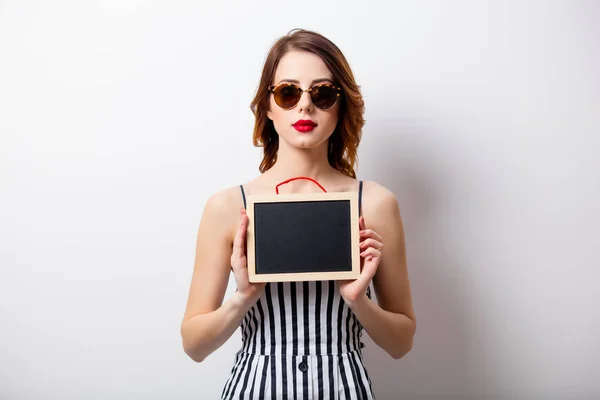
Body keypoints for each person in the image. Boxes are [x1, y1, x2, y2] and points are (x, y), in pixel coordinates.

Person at [181, 28, 416, 399]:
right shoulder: (227, 207)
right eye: (288, 93)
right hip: (255, 388)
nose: (305, 106)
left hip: (344, 388)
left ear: (341, 107)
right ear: (268, 106)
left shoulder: (374, 203)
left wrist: (358, 300)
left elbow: (401, 342)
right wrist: (242, 297)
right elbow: (194, 345)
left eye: (322, 93)